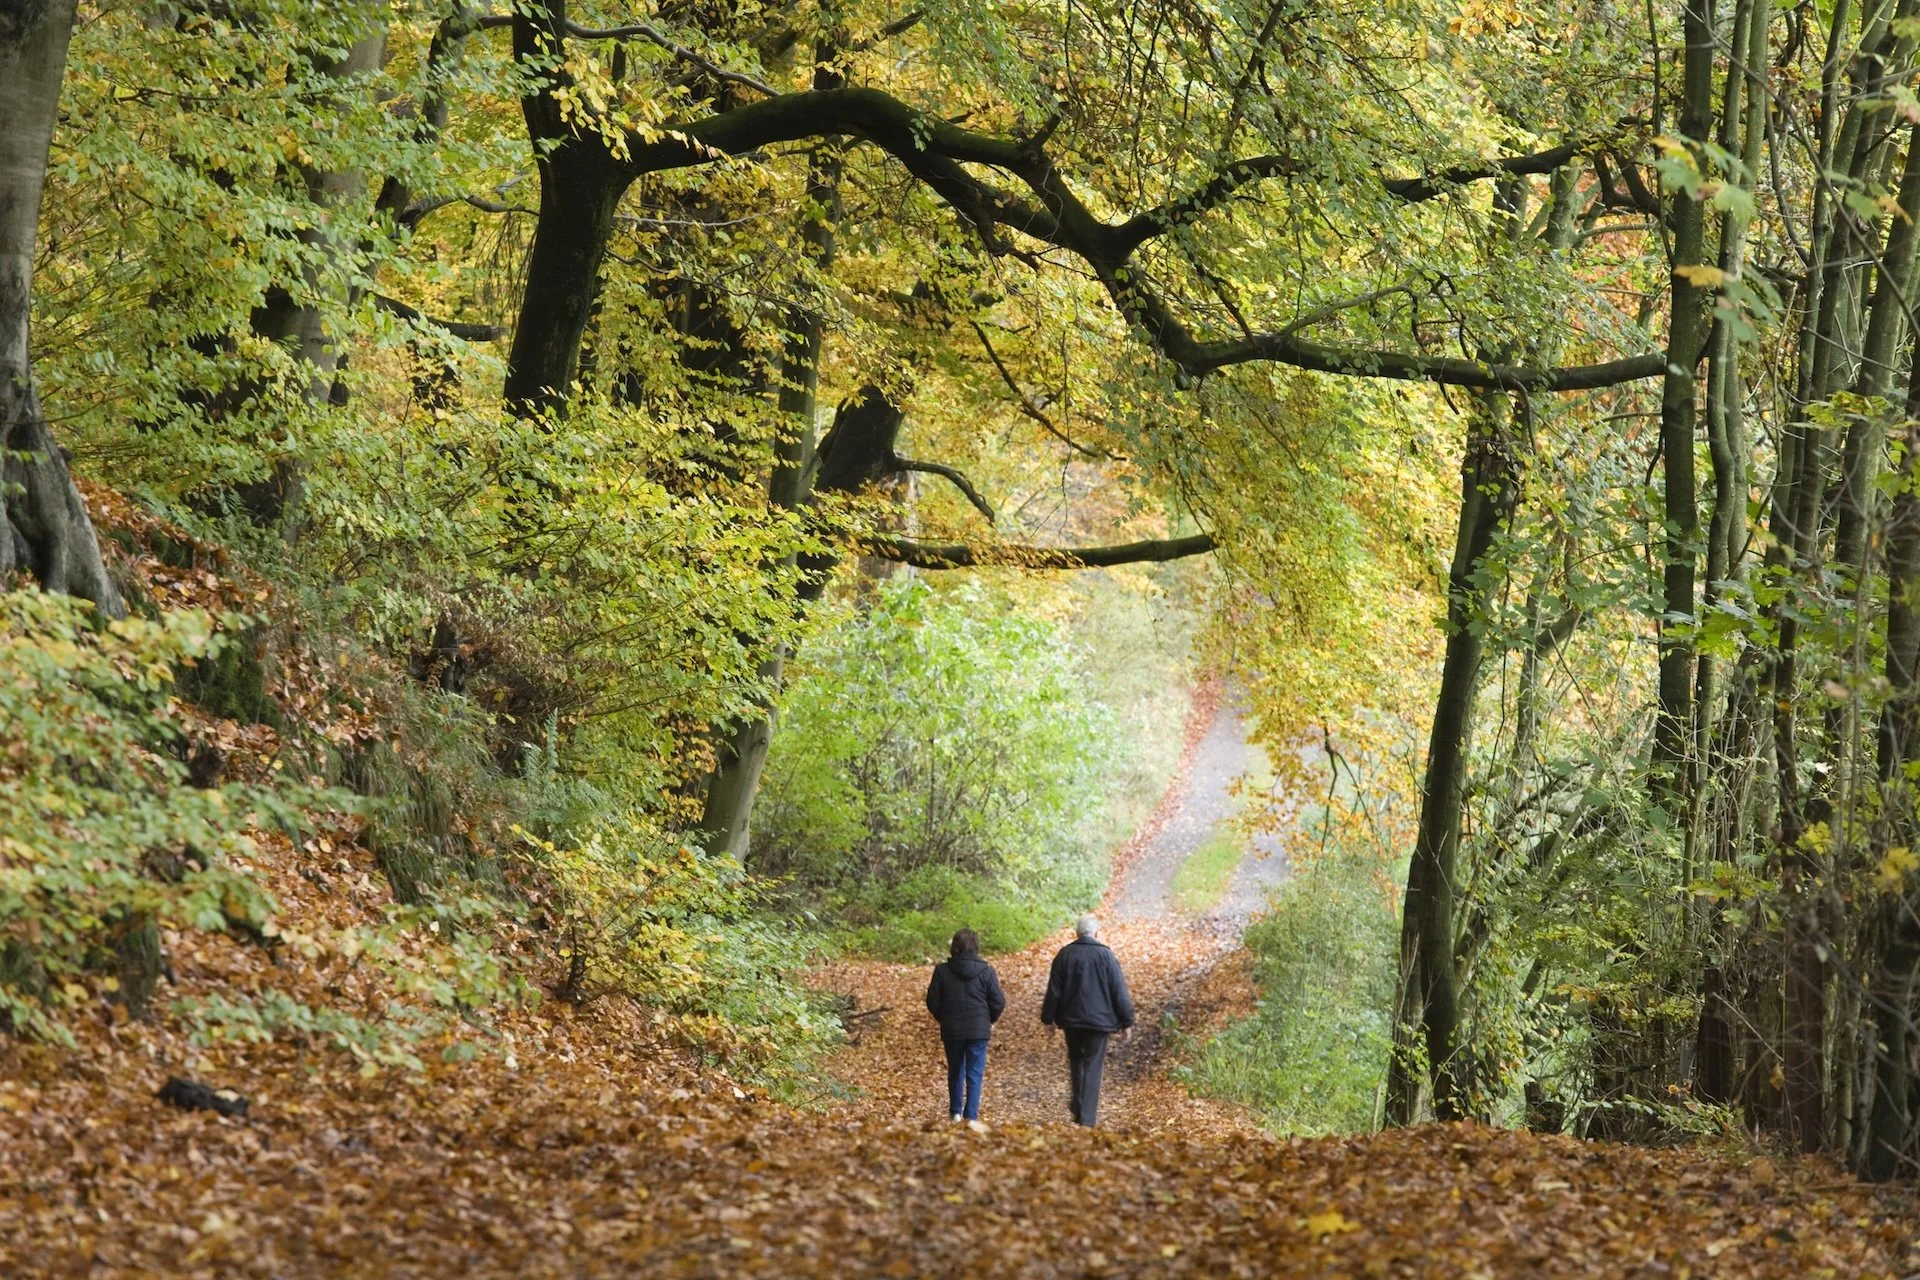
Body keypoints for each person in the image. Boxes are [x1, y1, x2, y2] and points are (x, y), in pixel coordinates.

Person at [1041, 914, 1134, 1127]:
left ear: (1076, 933)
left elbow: (1054, 990)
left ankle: (1079, 1105)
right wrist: (1126, 1021)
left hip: (1072, 1021)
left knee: (1076, 1061)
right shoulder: (1106, 956)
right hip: (1099, 1023)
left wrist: (1049, 1019)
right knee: (1093, 1066)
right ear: (1096, 933)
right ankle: (1087, 1118)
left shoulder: (1064, 955)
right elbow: (1118, 990)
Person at [924, 928, 1007, 1122]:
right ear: (976, 947)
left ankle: (955, 1112)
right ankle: (971, 1116)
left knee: (955, 1069)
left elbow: (932, 1001)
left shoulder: (942, 971)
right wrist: (988, 1020)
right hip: (978, 1029)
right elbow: (998, 1001)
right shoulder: (986, 971)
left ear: (954, 946)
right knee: (974, 1073)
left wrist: (943, 1018)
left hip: (952, 1028)